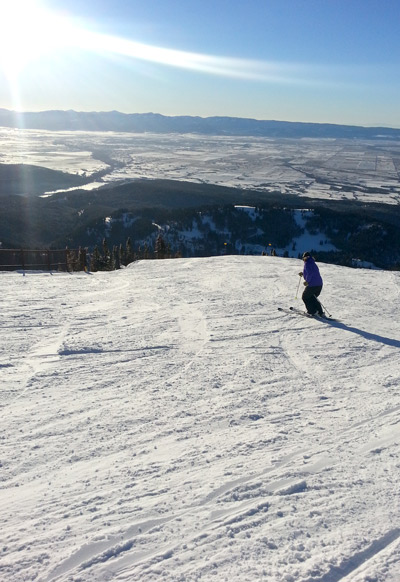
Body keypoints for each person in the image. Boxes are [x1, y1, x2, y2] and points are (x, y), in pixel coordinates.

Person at [299, 251, 324, 316]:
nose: (304, 259)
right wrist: (303, 273)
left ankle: (312, 311)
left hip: (313, 285)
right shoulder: (312, 263)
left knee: (305, 297)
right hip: (319, 284)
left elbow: (310, 273)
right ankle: (319, 311)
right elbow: (312, 272)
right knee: (312, 297)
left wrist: (307, 281)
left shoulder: (307, 264)